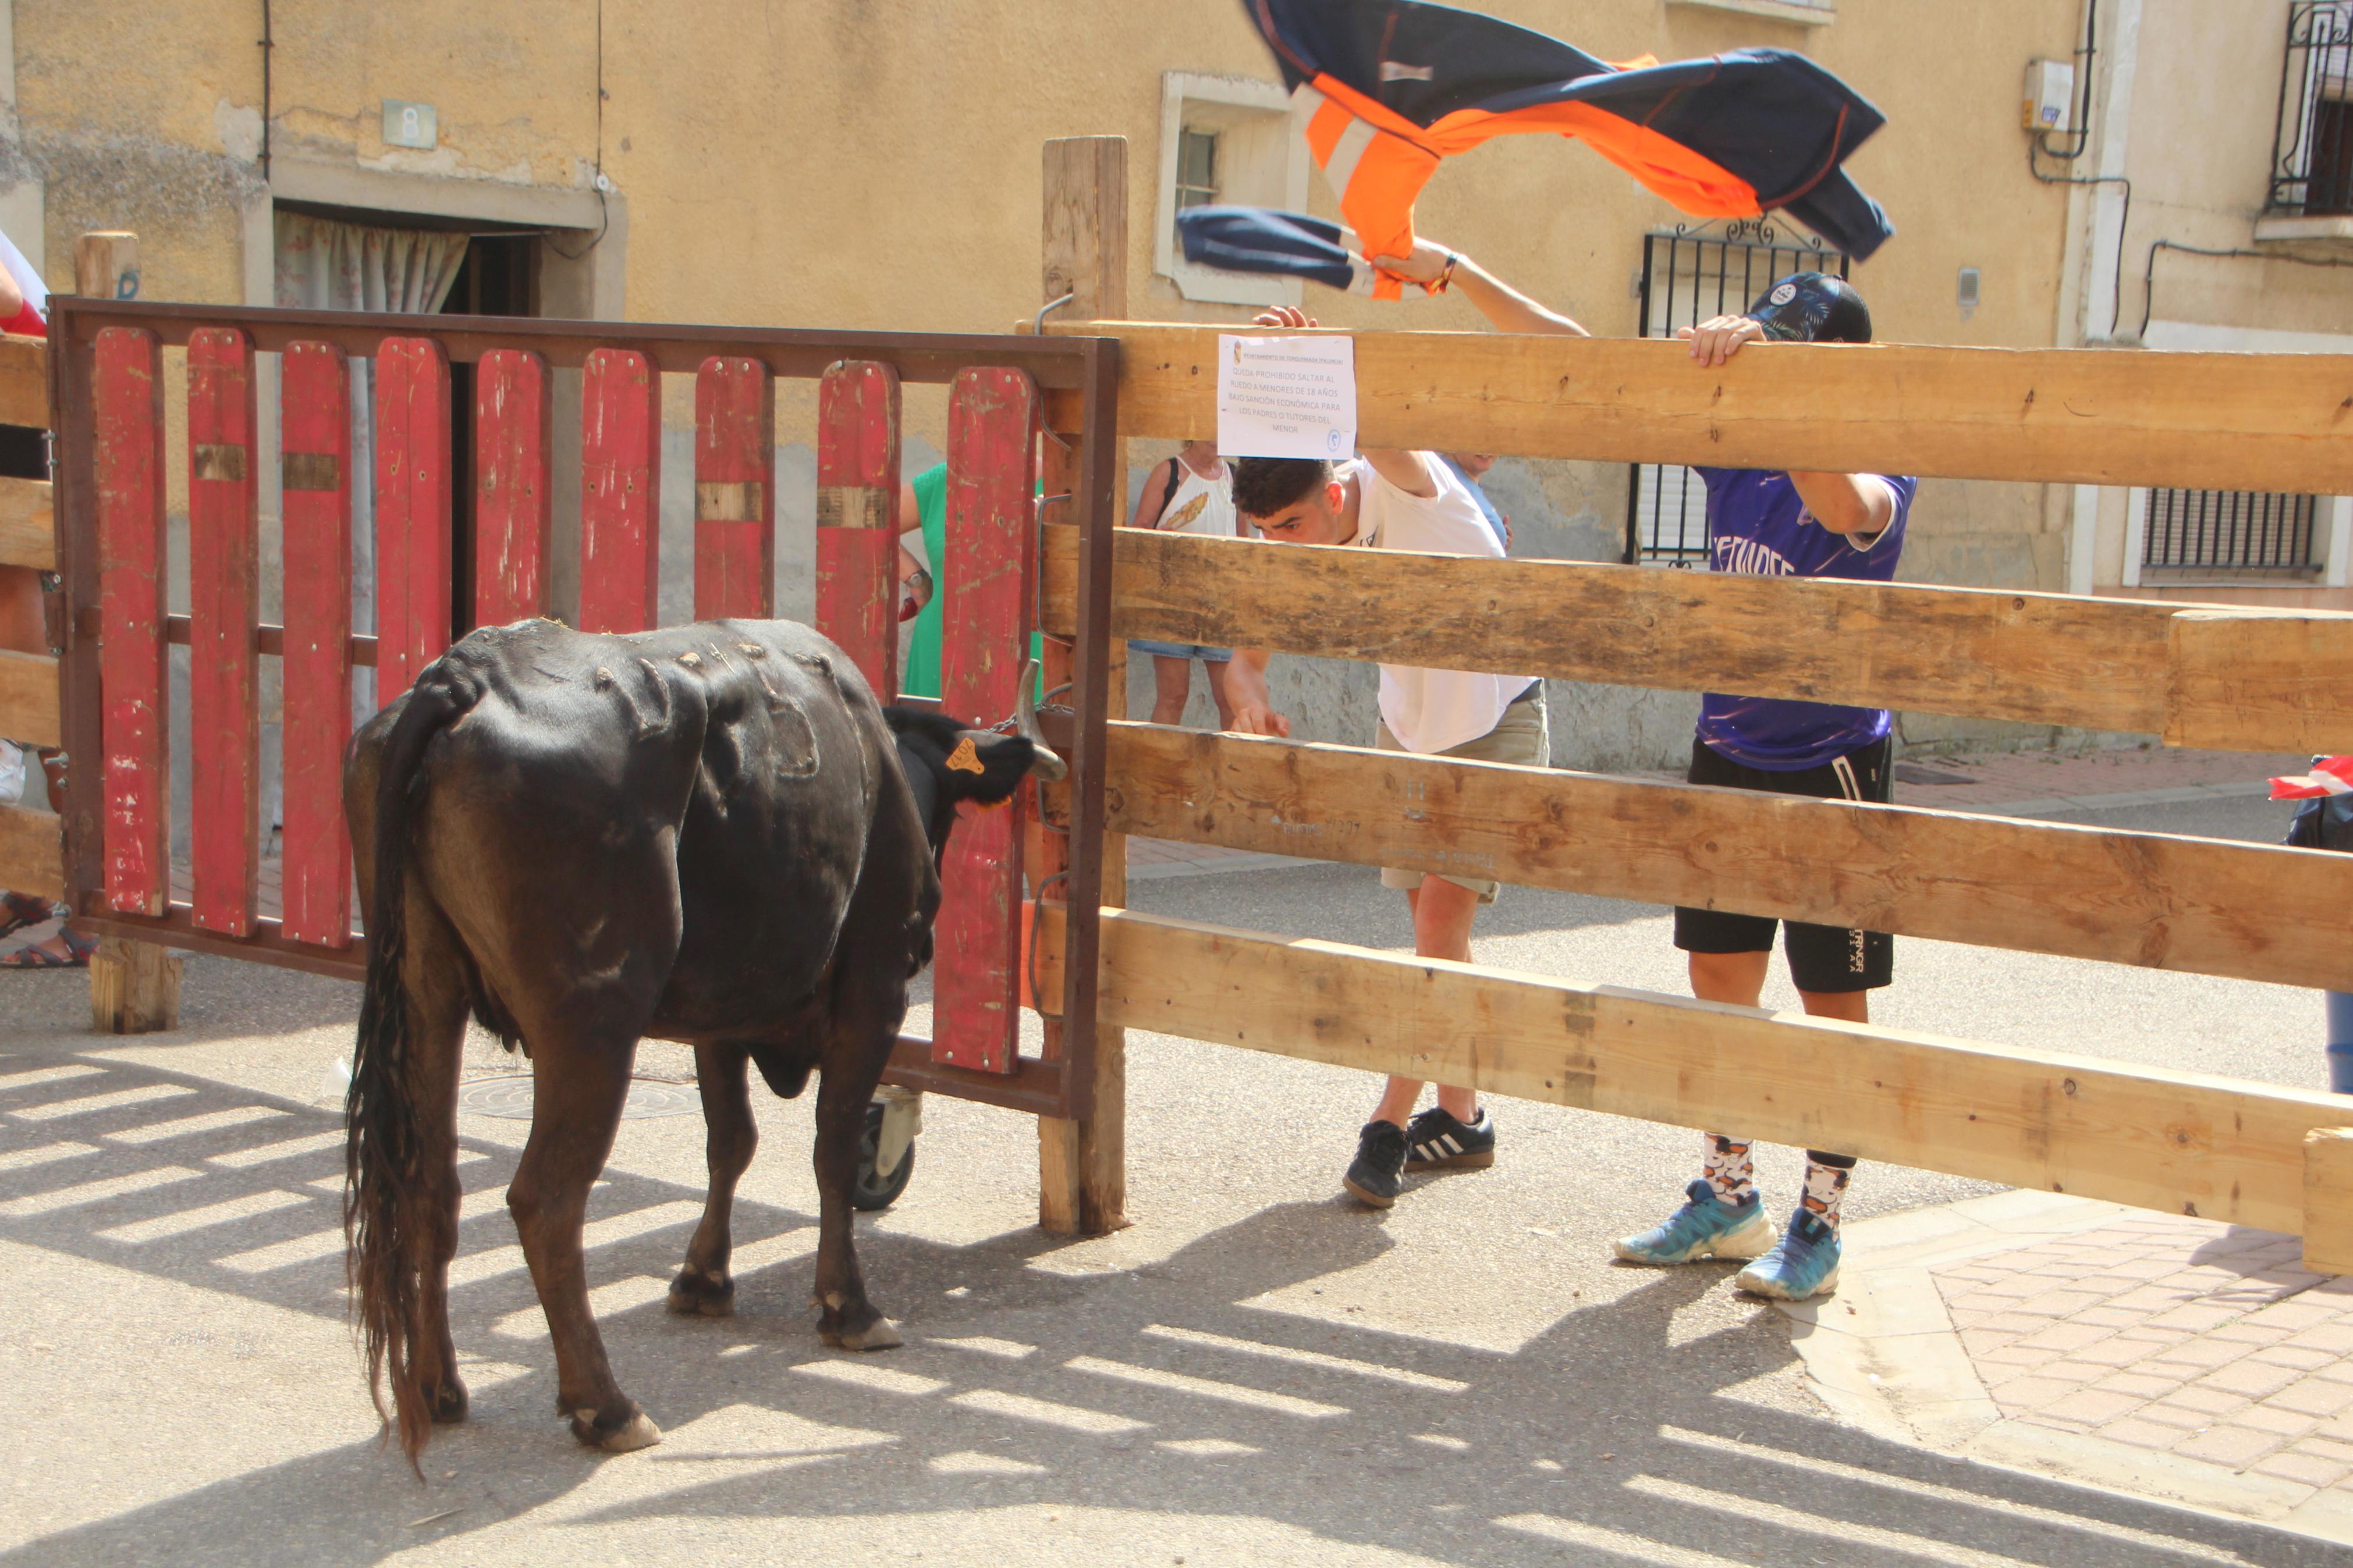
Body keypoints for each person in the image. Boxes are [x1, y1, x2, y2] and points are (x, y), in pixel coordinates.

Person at [1593, 271, 1916, 1302]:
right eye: (1757, 344)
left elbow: (1843, 503)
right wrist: (1454, 274)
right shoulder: (1735, 449)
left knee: (1833, 1004)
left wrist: (1775, 396)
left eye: (1783, 349)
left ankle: (1819, 1221)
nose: (1755, 362)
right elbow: (1581, 362)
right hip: (1726, 744)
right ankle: (1729, 1197)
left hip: (1832, 764)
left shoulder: (1881, 464)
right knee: (1717, 983)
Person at [1128, 440, 1238, 728]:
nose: (1217, 436)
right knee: (1174, 695)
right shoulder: (1170, 472)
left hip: (1220, 600)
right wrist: (1159, 538)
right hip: (1171, 599)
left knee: (1230, 698)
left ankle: (1230, 770)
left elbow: (1244, 542)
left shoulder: (1234, 477)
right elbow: (1139, 532)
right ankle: (1160, 769)